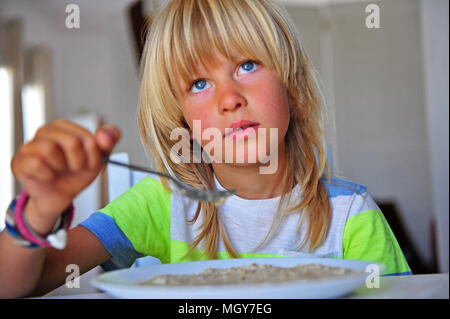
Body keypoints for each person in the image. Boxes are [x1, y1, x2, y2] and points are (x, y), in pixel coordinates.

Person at [0, 0, 411, 298]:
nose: (228, 98)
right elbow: (18, 284)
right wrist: (39, 210)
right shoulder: (162, 203)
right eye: (199, 84)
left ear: (293, 89)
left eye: (247, 65)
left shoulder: (350, 212)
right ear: (184, 123)